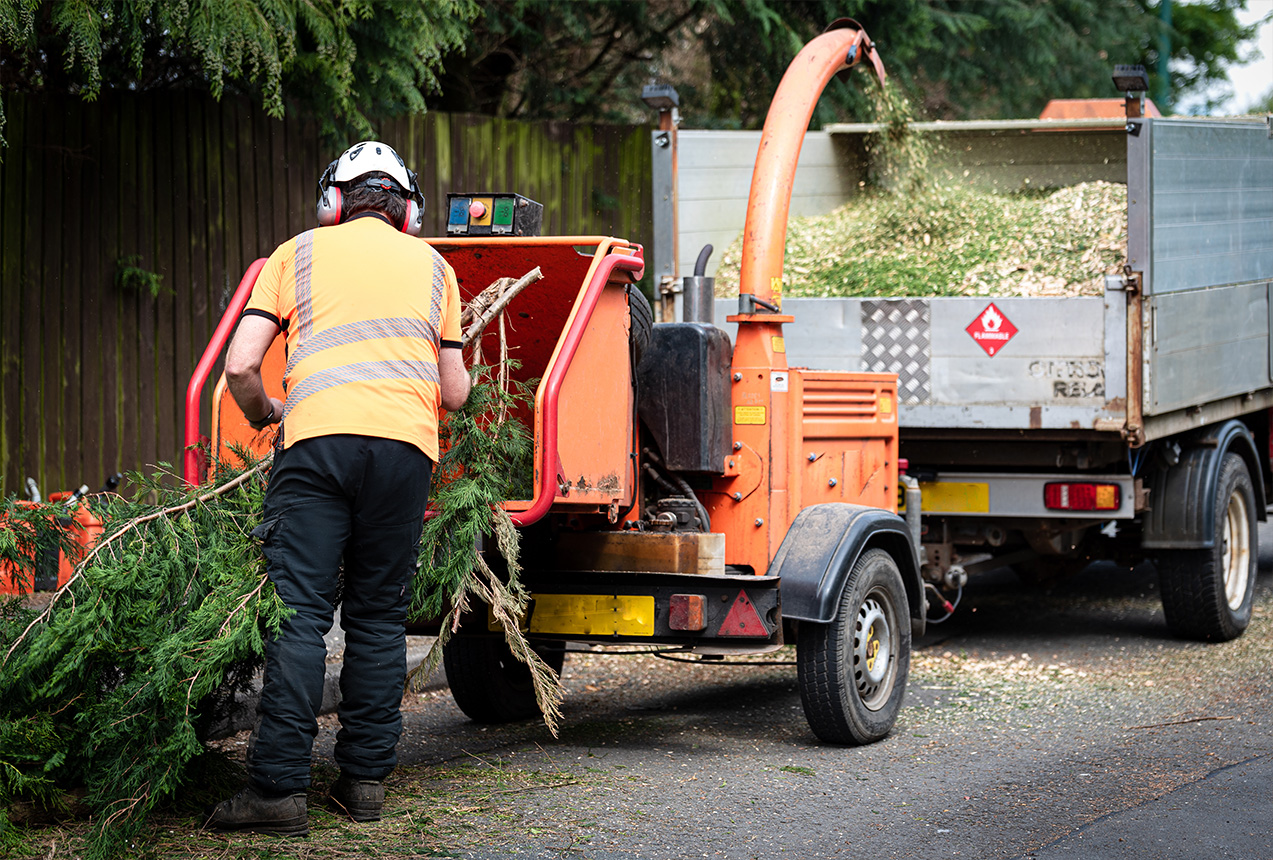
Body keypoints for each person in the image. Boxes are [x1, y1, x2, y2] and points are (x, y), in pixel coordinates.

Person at [208, 140, 471, 836]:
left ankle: (276, 794)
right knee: (379, 619)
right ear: (407, 209)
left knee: (299, 615)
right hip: (403, 454)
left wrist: (268, 413)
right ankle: (363, 788)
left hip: (316, 446)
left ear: (333, 201)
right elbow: (455, 391)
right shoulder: (436, 268)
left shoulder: (295, 254)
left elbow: (238, 367)